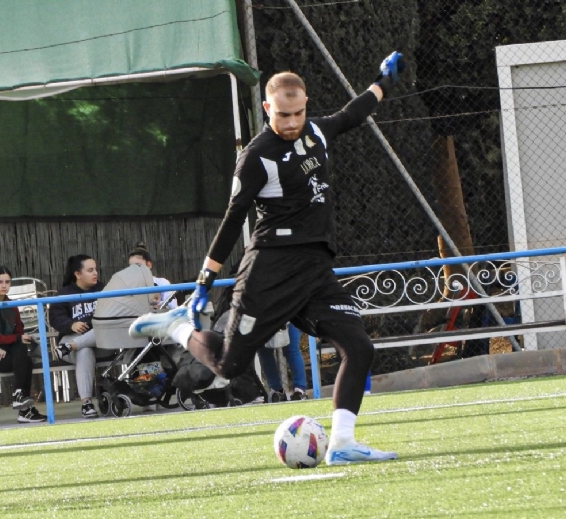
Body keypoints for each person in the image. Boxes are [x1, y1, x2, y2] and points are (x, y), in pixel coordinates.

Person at [130, 52, 406, 465]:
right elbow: (232, 219)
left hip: (314, 270)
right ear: (266, 109)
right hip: (270, 270)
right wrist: (205, 281)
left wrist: (383, 82)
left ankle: (344, 444)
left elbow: (352, 114)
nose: (292, 122)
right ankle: (179, 328)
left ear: (305, 105)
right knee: (228, 364)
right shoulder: (257, 156)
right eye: (283, 115)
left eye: (297, 113)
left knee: (359, 347)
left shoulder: (315, 133)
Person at [0, 266, 45, 423]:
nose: (4, 286)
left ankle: (20, 396)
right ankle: (24, 409)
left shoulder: (10, 305)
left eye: (7, 282)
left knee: (23, 349)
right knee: (24, 358)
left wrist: (4, 346)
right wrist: (6, 343)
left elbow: (18, 331)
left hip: (6, 350)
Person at [49, 255, 104, 418]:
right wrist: (71, 325)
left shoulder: (104, 290)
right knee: (84, 350)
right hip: (72, 337)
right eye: (90, 270)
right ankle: (86, 403)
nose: (95, 273)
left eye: (95, 269)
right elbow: (55, 318)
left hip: (101, 340)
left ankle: (70, 346)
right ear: (77, 274)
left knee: (102, 330)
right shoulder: (65, 294)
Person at [257, 323, 308, 402]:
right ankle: (276, 391)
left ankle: (300, 391)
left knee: (292, 349)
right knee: (264, 351)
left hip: (290, 315)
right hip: (266, 315)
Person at [127, 243, 176, 309]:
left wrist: (158, 305)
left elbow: (174, 308)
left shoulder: (163, 283)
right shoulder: (127, 288)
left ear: (149, 265)